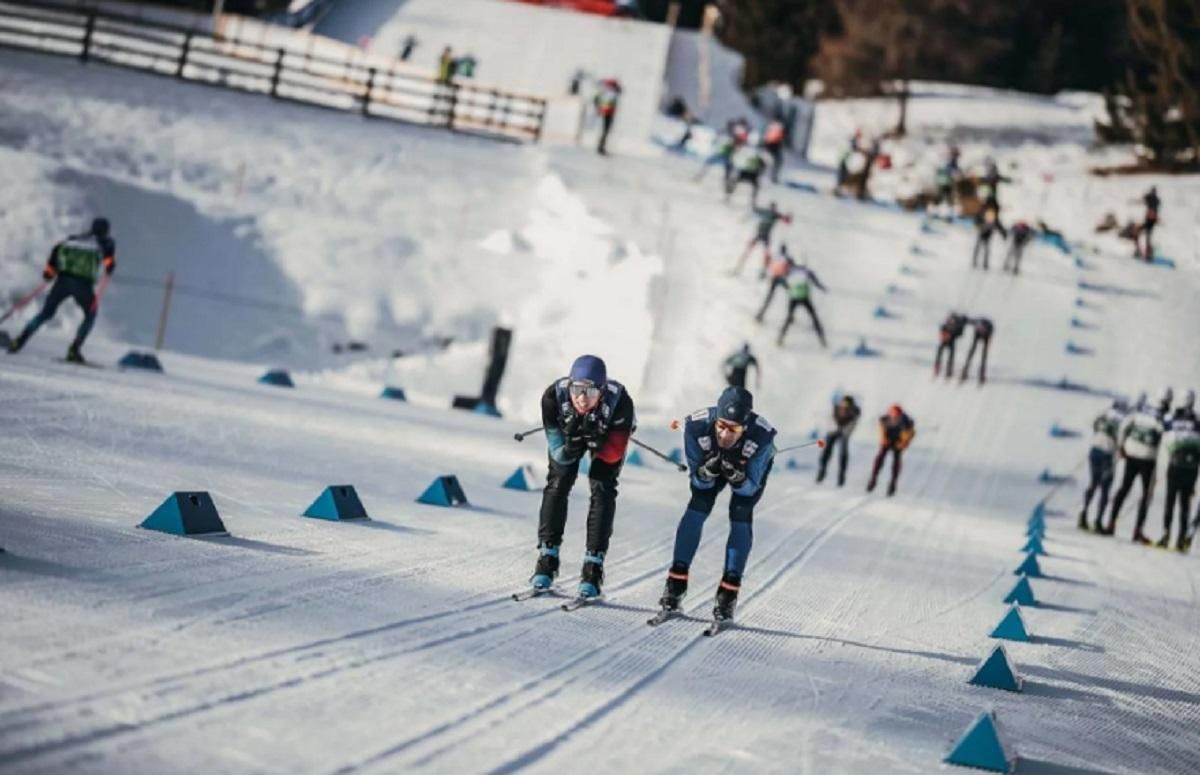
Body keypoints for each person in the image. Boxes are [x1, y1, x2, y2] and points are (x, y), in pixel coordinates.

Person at [656, 386, 777, 623]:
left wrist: (739, 478)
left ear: (745, 426)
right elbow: (699, 483)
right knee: (698, 506)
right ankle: (675, 586)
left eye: (734, 429)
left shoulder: (762, 436)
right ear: (715, 420)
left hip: (746, 473)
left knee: (741, 513)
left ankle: (727, 596)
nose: (725, 434)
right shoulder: (696, 426)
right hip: (710, 463)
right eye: (721, 426)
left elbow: (750, 489)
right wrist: (705, 473)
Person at [531, 355, 636, 598]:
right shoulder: (553, 398)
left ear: (602, 391)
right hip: (568, 435)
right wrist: (572, 443)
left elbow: (612, 454)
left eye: (590, 392)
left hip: (608, 432)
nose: (582, 398)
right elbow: (558, 453)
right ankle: (547, 557)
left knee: (602, 488)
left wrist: (597, 440)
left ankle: (593, 566)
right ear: (569, 386)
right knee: (558, 482)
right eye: (577, 390)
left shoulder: (620, 402)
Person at [7, 217, 116, 363]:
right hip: (83, 284)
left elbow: (56, 251)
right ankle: (74, 350)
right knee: (90, 314)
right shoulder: (105, 242)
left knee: (45, 314)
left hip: (62, 281)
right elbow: (109, 260)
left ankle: (18, 342)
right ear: (105, 230)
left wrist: (49, 271)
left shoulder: (72, 239)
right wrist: (110, 266)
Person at [1101, 389, 1170, 542]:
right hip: (1148, 459)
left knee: (1124, 489)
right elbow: (1167, 440)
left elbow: (1124, 426)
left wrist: (1121, 446)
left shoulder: (1141, 410)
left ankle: (1111, 523)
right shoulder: (1164, 417)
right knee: (1146, 495)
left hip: (1131, 453)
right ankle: (1137, 531)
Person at [1159, 390, 1199, 550]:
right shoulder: (1197, 420)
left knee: (1172, 502)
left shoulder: (1173, 418)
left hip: (1177, 465)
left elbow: (1165, 432)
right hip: (1190, 468)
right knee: (1184, 505)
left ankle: (1167, 535)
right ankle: (1179, 539)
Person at [1080, 398, 1127, 531]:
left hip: (1095, 449)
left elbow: (1092, 424)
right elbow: (1122, 438)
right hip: (1108, 454)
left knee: (1093, 483)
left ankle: (1084, 513)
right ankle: (1098, 520)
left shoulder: (1103, 414)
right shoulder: (1123, 419)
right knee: (1105, 488)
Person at [776, 259, 827, 348]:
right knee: (814, 317)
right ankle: (822, 340)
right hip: (804, 297)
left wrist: (788, 288)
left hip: (794, 297)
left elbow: (783, 280)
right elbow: (815, 281)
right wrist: (822, 288)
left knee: (788, 318)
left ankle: (780, 338)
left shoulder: (790, 271)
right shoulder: (806, 271)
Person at [867, 404, 915, 496]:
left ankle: (893, 483)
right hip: (888, 439)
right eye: (892, 414)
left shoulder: (906, 422)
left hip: (899, 441)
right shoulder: (885, 420)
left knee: (896, 460)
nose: (894, 416)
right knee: (880, 457)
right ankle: (873, 479)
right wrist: (883, 439)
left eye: (896, 415)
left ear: (900, 415)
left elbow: (909, 435)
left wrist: (902, 444)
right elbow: (882, 430)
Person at [732, 202, 790, 276]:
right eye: (772, 208)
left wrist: (788, 217)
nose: (772, 210)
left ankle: (762, 272)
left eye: (773, 208)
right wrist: (787, 218)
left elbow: (786, 220)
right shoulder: (770, 213)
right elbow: (755, 210)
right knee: (751, 251)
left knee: (764, 254)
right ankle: (738, 269)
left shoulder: (774, 215)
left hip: (764, 236)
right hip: (760, 235)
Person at [817, 394, 861, 486]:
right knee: (827, 449)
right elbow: (829, 420)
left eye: (847, 404)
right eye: (843, 403)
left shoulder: (855, 412)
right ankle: (822, 470)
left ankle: (841, 475)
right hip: (833, 430)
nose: (844, 406)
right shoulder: (835, 409)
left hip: (845, 432)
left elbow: (852, 425)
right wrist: (833, 429)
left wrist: (844, 433)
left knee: (843, 452)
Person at [754, 243, 800, 322]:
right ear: (785, 250)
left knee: (770, 297)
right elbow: (793, 267)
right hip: (781, 278)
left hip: (775, 278)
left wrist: (763, 274)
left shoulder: (775, 256)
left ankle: (761, 314)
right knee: (791, 294)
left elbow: (768, 263)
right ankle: (791, 316)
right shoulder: (787, 257)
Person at [971, 199, 1006, 270]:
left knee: (986, 249)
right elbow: (977, 220)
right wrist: (978, 225)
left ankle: (985, 264)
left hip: (988, 234)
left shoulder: (994, 216)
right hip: (982, 233)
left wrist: (1003, 233)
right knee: (978, 248)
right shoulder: (983, 213)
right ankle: (975, 262)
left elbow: (998, 225)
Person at [959, 317, 994, 385]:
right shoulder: (977, 325)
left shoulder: (990, 328)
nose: (981, 331)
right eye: (980, 330)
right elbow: (968, 321)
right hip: (977, 334)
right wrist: (962, 320)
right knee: (971, 352)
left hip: (987, 336)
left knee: (984, 355)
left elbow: (989, 339)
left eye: (982, 330)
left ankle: (982, 374)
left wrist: (988, 344)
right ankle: (964, 372)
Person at [933, 312, 967, 380]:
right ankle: (937, 366)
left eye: (953, 322)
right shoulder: (944, 326)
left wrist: (961, 327)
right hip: (944, 341)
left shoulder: (957, 328)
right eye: (950, 321)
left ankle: (949, 368)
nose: (951, 323)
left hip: (951, 342)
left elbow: (960, 334)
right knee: (940, 351)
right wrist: (945, 335)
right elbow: (942, 332)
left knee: (951, 354)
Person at [594, 79, 621, 156]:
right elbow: (597, 100)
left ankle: (601, 147)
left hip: (607, 113)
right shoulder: (610, 93)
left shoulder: (606, 92)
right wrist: (599, 108)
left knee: (605, 131)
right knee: (605, 131)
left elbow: (596, 99)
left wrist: (598, 108)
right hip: (607, 113)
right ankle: (601, 147)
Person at [1137, 186, 1159, 260]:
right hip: (1151, 219)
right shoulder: (1155, 199)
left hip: (1150, 220)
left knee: (1147, 237)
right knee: (1147, 237)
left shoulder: (1153, 198)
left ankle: (1147, 253)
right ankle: (1146, 253)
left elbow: (1145, 198)